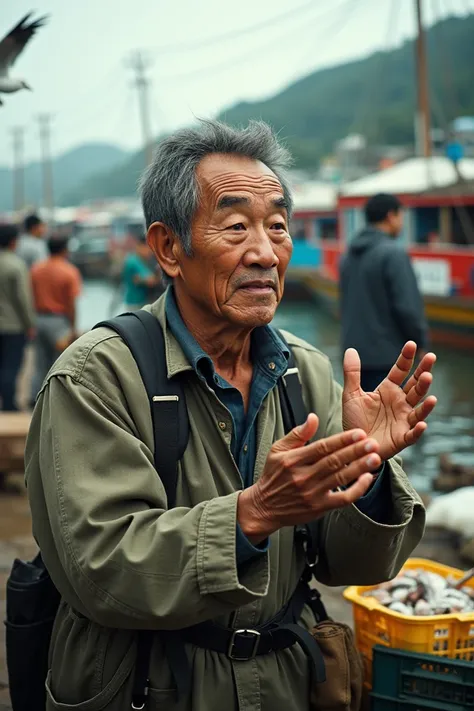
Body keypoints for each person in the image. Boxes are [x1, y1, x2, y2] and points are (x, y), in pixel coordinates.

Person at [25, 121, 437, 711]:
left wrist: (363, 476)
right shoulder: (95, 378)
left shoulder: (307, 371)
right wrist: (257, 513)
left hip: (286, 682)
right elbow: (100, 572)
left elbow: (349, 566)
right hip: (146, 683)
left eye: (277, 226)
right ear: (169, 248)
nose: (266, 252)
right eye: (237, 225)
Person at [340, 192, 429, 393]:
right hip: (390, 360)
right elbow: (407, 308)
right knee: (393, 419)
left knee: (362, 419)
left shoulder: (348, 255)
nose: (402, 224)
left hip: (354, 357)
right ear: (391, 216)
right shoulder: (393, 253)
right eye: (401, 217)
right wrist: (420, 343)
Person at [29, 235, 82, 403]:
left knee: (39, 362)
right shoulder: (69, 271)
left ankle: (34, 398)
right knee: (60, 362)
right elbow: (71, 303)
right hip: (59, 321)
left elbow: (29, 295)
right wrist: (73, 327)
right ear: (65, 250)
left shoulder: (36, 269)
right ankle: (55, 400)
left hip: (39, 319)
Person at [0, 224, 35, 411]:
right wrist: (30, 324)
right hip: (13, 325)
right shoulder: (16, 265)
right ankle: (8, 405)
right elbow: (23, 299)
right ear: (14, 241)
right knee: (10, 367)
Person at [122, 234, 159, 310]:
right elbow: (151, 281)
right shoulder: (134, 261)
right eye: (147, 248)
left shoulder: (138, 260)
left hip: (138, 302)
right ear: (139, 246)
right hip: (136, 304)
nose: (150, 251)